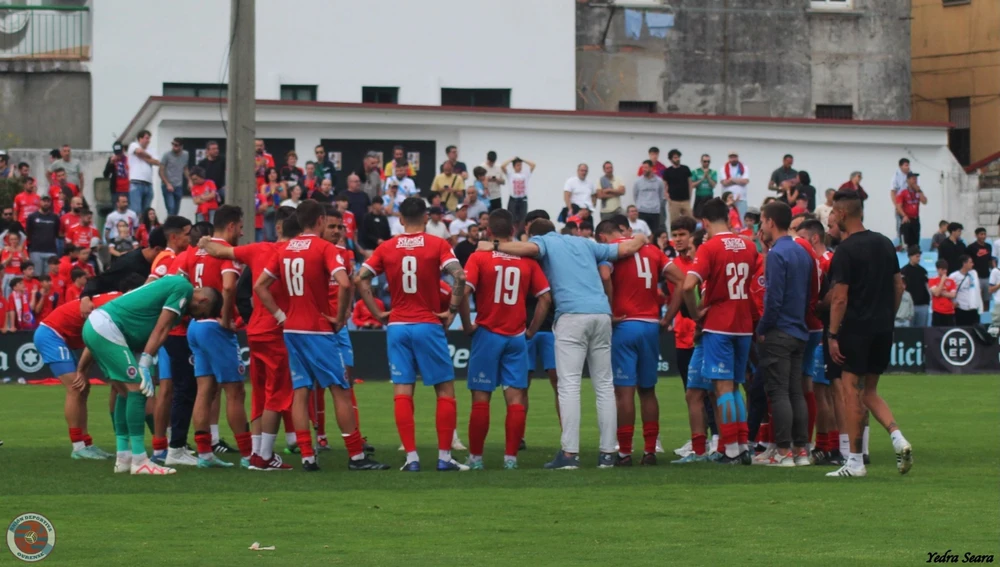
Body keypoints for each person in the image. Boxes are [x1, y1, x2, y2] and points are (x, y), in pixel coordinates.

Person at [479, 212, 648, 470]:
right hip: (601, 314)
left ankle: (570, 454)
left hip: (572, 316)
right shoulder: (584, 242)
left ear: (533, 232)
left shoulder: (544, 243)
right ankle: (607, 454)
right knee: (604, 385)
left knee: (568, 385)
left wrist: (493, 245)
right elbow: (628, 247)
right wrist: (641, 236)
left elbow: (526, 248)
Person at [254, 200, 388, 472]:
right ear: (319, 221)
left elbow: (260, 286)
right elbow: (344, 282)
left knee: (301, 392)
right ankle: (356, 456)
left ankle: (307, 455)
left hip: (292, 329)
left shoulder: (285, 249)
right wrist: (339, 318)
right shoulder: (325, 248)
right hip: (317, 329)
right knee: (339, 389)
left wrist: (281, 316)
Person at [354, 197, 467, 472]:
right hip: (428, 324)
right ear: (426, 218)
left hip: (398, 326)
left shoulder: (387, 247)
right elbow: (460, 276)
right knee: (445, 391)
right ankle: (443, 458)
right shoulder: (437, 244)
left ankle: (412, 459)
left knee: (403, 390)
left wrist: (379, 313)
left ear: (400, 219)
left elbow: (360, 278)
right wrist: (451, 311)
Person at [79, 274, 220, 475]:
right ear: (203, 300)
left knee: (123, 392)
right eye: (200, 312)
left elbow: (149, 325)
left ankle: (124, 456)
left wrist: (145, 358)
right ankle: (139, 460)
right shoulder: (184, 288)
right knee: (137, 390)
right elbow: (161, 328)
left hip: (102, 327)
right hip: (108, 327)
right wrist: (145, 360)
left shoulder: (175, 288)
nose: (194, 316)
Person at [825, 189, 912, 478]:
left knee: (852, 392)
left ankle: (855, 462)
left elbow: (839, 298)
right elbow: (898, 287)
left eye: (833, 211)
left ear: (841, 214)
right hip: (883, 328)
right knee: (871, 391)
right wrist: (888, 316)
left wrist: (832, 334)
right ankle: (898, 437)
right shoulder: (886, 243)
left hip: (855, 330)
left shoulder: (845, 251)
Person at [459, 209, 551, 470]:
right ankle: (510, 459)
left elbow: (464, 291)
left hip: (488, 334)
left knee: (481, 398)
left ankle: (476, 459)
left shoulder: (479, 257)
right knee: (516, 398)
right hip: (516, 336)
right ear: (513, 231)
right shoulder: (527, 261)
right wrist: (531, 330)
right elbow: (545, 298)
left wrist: (467, 324)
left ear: (489, 232)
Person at [172, 205, 252, 469]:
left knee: (204, 391)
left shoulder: (191, 253)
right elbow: (229, 286)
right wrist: (227, 319)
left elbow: (178, 284)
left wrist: (188, 310)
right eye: (240, 227)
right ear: (230, 226)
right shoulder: (225, 253)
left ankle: (205, 452)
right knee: (235, 391)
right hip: (215, 327)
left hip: (194, 326)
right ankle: (249, 454)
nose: (241, 233)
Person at [682, 197, 758, 465]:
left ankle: (733, 451)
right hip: (744, 325)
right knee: (735, 387)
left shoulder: (710, 247)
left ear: (704, 222)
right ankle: (741, 443)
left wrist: (695, 313)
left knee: (722, 387)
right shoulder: (750, 246)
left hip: (719, 325)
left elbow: (686, 285)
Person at [35, 277, 142, 460]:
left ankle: (86, 443)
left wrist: (84, 369)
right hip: (52, 334)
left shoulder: (118, 301)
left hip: (62, 335)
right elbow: (97, 337)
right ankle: (78, 447)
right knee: (76, 388)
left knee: (83, 388)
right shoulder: (117, 303)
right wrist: (82, 370)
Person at [596, 220, 674, 467]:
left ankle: (625, 452)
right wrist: (668, 317)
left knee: (624, 392)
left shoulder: (612, 250)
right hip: (651, 323)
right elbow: (682, 281)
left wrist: (609, 308)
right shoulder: (652, 249)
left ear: (603, 236)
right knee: (648, 390)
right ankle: (650, 450)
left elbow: (605, 274)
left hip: (625, 323)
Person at [755, 201, 812, 467]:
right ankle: (801, 450)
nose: (760, 227)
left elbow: (773, 298)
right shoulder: (802, 252)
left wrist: (762, 328)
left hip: (780, 330)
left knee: (778, 392)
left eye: (762, 221)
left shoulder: (777, 254)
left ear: (770, 222)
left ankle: (783, 451)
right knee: (796, 392)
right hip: (800, 329)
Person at [127, 130, 160, 215]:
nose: (148, 140)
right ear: (140, 138)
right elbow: (139, 151)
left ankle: (144, 228)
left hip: (148, 184)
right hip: (136, 183)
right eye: (146, 138)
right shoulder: (133, 145)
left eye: (149, 138)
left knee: (146, 212)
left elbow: (157, 162)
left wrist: (144, 158)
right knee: (136, 210)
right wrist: (149, 157)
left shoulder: (152, 149)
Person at [26, 195, 59, 275]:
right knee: (36, 275)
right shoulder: (32, 217)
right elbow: (28, 232)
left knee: (49, 277)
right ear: (40, 202)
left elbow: (56, 232)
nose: (46, 203)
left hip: (51, 250)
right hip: (36, 250)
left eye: (48, 201)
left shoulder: (55, 217)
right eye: (44, 201)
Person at [900, 246, 931, 327]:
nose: (919, 258)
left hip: (922, 305)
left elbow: (927, 287)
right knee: (910, 332)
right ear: (910, 256)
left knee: (922, 331)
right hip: (909, 306)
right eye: (917, 256)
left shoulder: (923, 271)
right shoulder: (904, 271)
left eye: (919, 256)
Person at [502, 156, 535, 230]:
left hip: (523, 199)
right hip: (513, 199)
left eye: (520, 165)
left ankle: (521, 233)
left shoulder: (525, 174)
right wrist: (512, 159)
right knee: (512, 219)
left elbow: (533, 165)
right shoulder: (510, 175)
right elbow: (503, 166)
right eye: (518, 165)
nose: (519, 167)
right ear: (514, 166)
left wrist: (523, 159)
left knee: (522, 219)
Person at [949, 255, 983, 326]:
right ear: (964, 263)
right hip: (961, 308)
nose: (972, 264)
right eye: (970, 262)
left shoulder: (974, 273)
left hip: (973, 308)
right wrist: (952, 302)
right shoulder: (953, 276)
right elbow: (949, 291)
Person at [159, 138, 189, 217]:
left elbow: (185, 168)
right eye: (173, 144)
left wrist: (190, 181)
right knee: (171, 208)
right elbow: (161, 171)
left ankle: (174, 227)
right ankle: (169, 227)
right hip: (167, 186)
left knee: (176, 210)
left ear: (181, 146)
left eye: (176, 145)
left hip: (178, 185)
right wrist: (167, 184)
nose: (174, 147)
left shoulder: (185, 155)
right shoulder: (167, 155)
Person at [896, 172, 927, 249]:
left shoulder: (918, 192)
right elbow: (898, 207)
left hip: (916, 219)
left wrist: (919, 191)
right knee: (906, 242)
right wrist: (904, 215)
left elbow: (924, 201)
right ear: (908, 180)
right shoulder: (903, 192)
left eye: (916, 179)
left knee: (915, 242)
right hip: (907, 220)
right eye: (913, 179)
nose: (915, 181)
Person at [966, 227, 994, 310]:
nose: (983, 236)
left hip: (987, 276)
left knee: (987, 300)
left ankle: (986, 318)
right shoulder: (971, 247)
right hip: (976, 277)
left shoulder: (989, 246)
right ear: (976, 235)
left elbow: (990, 260)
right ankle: (978, 319)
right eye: (981, 234)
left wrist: (993, 270)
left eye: (984, 234)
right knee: (978, 299)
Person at [633, 160, 665, 231]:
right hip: (642, 211)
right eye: (643, 167)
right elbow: (635, 195)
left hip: (655, 211)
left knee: (654, 232)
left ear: (651, 168)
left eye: (646, 167)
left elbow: (661, 196)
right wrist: (640, 205)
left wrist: (656, 205)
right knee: (642, 232)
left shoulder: (659, 181)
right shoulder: (638, 182)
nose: (644, 169)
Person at [663, 150, 692, 224]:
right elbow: (665, 186)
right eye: (675, 157)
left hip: (685, 200)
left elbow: (690, 184)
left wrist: (690, 198)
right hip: (674, 201)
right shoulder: (667, 171)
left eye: (678, 157)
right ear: (671, 159)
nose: (677, 159)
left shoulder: (685, 169)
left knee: (690, 221)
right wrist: (668, 199)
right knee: (674, 222)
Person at [720, 151, 750, 218]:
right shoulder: (723, 168)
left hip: (741, 199)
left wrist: (732, 179)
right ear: (729, 158)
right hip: (728, 200)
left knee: (742, 218)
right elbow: (724, 183)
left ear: (737, 158)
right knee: (728, 218)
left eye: (735, 157)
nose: (733, 159)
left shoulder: (744, 168)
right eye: (731, 157)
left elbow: (745, 181)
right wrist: (739, 181)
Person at [929, 259, 958, 326]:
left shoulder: (951, 281)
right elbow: (936, 294)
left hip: (949, 312)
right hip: (937, 312)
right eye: (942, 269)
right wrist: (942, 280)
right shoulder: (932, 280)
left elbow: (953, 295)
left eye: (945, 269)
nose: (944, 271)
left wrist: (940, 292)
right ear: (938, 269)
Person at [891, 158, 911, 249]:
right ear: (900, 166)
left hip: (910, 204)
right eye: (906, 165)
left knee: (911, 225)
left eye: (908, 165)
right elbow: (893, 192)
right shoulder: (896, 176)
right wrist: (896, 206)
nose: (908, 167)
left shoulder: (911, 175)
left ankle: (911, 244)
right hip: (900, 204)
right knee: (900, 225)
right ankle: (901, 243)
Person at [690, 154, 717, 218]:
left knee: (709, 217)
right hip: (699, 197)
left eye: (708, 161)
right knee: (697, 216)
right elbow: (692, 185)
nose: (707, 163)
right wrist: (702, 179)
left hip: (709, 197)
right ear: (701, 161)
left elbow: (713, 185)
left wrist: (707, 176)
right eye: (705, 161)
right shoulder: (695, 171)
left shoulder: (713, 172)